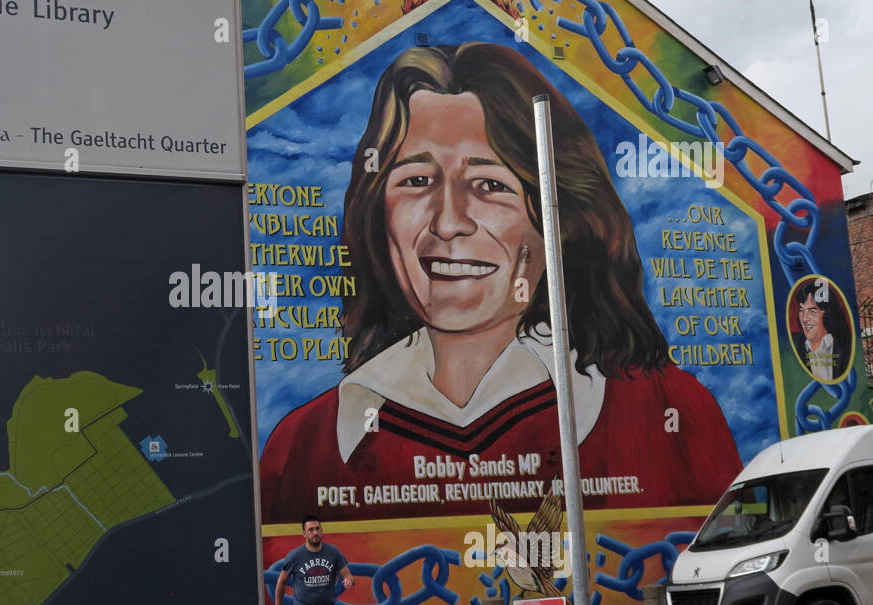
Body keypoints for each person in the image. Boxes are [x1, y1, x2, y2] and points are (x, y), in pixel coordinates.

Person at [260, 43, 742, 522]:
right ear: (376, 214)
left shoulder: (667, 414)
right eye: (415, 182)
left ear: (561, 218)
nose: (448, 223)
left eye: (490, 186)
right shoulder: (303, 446)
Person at [793, 278, 850, 382]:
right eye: (801, 310)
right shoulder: (793, 344)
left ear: (827, 313)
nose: (805, 318)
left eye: (812, 311)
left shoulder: (845, 344)